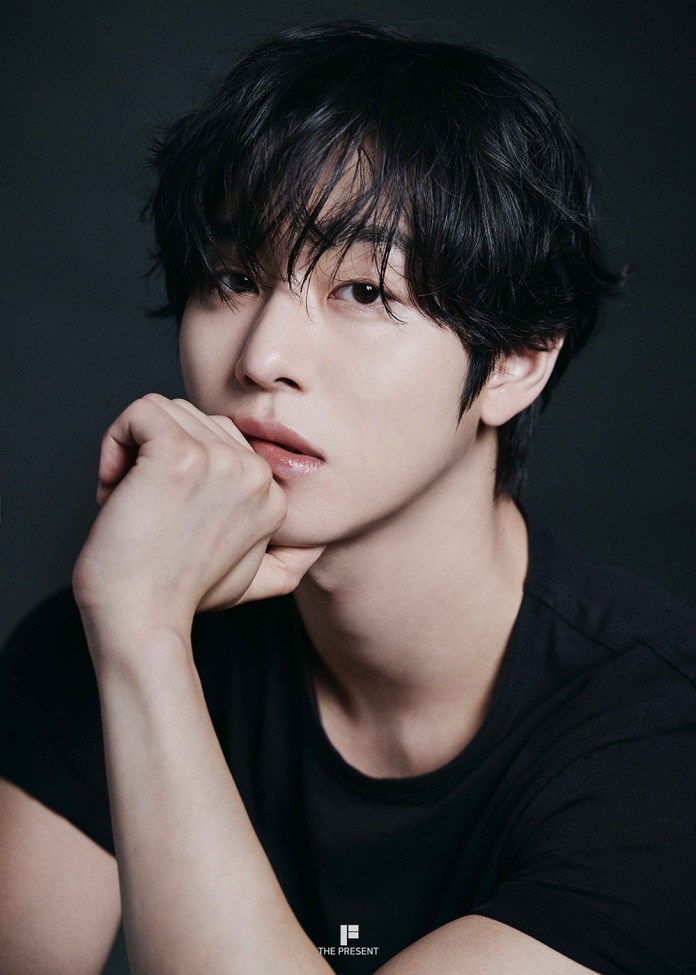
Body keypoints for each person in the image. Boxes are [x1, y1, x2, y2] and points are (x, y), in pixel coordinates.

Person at [1, 20, 695, 975]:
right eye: (234, 278)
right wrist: (134, 632)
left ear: (521, 362)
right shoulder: (106, 636)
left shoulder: (665, 735)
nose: (262, 359)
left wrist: (146, 641)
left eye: (365, 291)